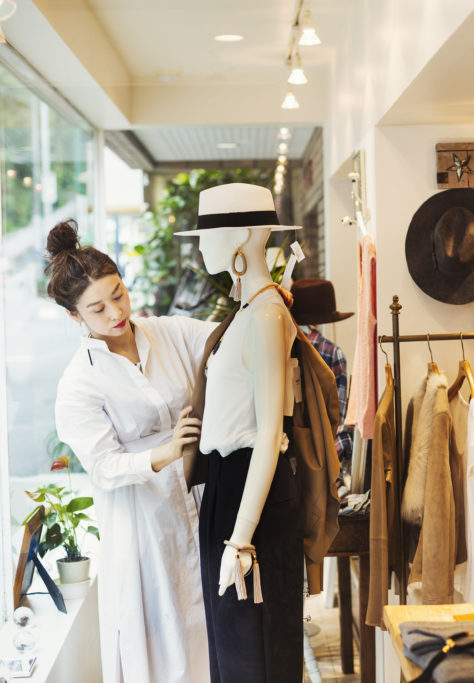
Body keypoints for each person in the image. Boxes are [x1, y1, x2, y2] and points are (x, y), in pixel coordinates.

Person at [46, 219, 212, 683]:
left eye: (118, 294)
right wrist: (164, 454)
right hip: (141, 522)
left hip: (198, 503)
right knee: (163, 642)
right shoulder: (79, 383)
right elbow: (102, 467)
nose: (116, 312)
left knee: (209, 634)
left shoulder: (170, 333)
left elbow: (227, 340)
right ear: (75, 316)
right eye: (97, 308)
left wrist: (263, 303)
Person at [176, 183, 304, 682]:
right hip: (226, 492)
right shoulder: (246, 315)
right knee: (230, 646)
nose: (201, 246)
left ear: (242, 237)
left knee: (257, 649)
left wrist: (242, 538)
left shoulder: (268, 316)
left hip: (253, 496)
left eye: (209, 234)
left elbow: (271, 432)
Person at [289, 278, 354, 470]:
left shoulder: (279, 347)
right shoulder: (333, 353)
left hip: (283, 460)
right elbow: (339, 422)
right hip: (323, 460)